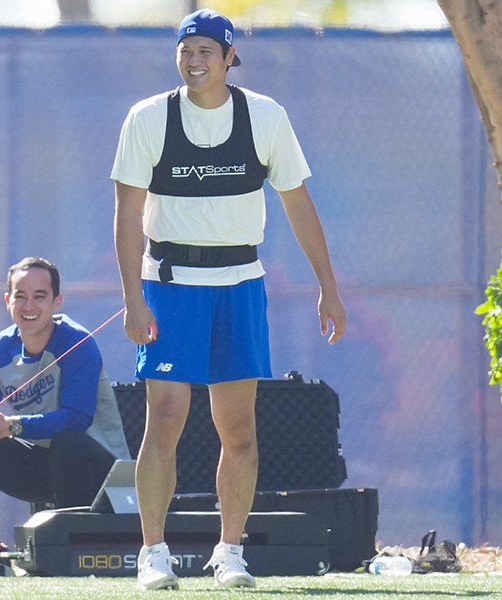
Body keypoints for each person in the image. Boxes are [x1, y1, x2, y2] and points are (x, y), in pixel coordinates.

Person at [111, 9, 346, 591]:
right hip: (169, 287)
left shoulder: (266, 117)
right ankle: (153, 555)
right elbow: (127, 213)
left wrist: (329, 287)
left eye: (206, 51)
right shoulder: (148, 118)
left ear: (228, 57)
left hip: (241, 285)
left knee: (237, 428)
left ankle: (230, 552)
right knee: (164, 418)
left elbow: (297, 203)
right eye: (185, 50)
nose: (194, 60)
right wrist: (133, 300)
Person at [0, 256, 131, 576]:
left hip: (99, 471)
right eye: (20, 296)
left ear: (56, 301)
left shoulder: (77, 341)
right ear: (8, 301)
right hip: (45, 466)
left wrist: (10, 426)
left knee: (66, 442)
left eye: (40, 296)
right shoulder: (1, 347)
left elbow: (76, 420)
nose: (29, 305)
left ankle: (73, 545)